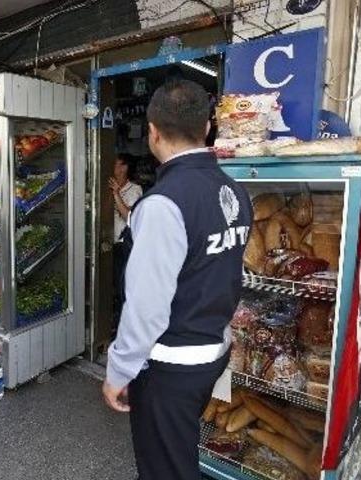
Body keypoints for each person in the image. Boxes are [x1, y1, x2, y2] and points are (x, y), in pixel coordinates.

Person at [101, 80, 252, 479]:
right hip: (212, 351)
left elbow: (147, 308)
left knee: (164, 467)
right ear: (206, 129)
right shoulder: (235, 191)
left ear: (152, 131)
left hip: (172, 362)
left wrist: (119, 370)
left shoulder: (163, 203)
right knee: (178, 451)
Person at [108, 154, 143, 329]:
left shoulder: (135, 190)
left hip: (123, 246)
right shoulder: (107, 185)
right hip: (107, 244)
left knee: (123, 288)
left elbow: (129, 216)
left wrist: (116, 194)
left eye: (115, 164)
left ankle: (124, 327)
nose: (112, 168)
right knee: (109, 286)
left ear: (124, 167)